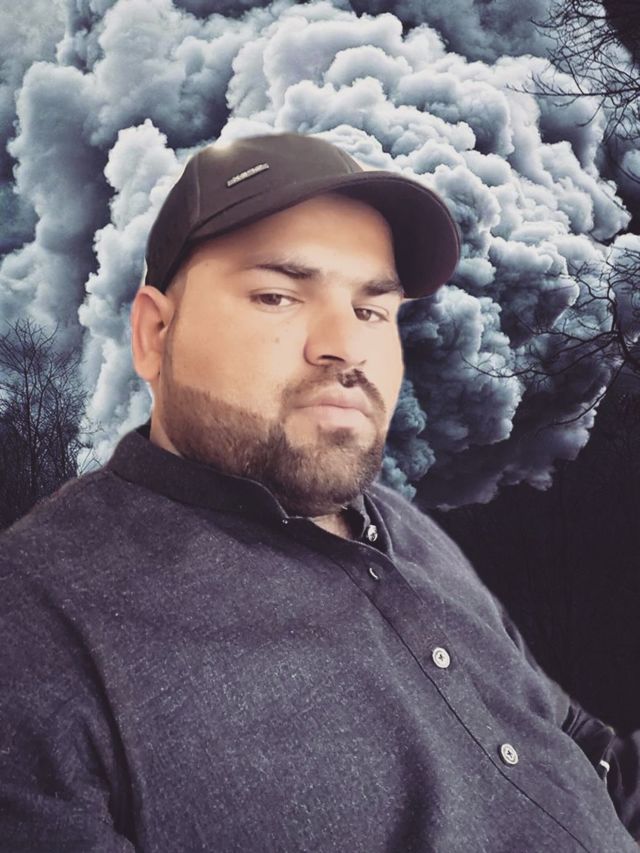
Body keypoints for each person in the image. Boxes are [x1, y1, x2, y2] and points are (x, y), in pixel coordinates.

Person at [0, 132, 638, 853]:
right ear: (153, 333)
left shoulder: (407, 529)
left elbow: (581, 747)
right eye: (277, 296)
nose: (346, 345)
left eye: (372, 310)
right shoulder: (31, 631)